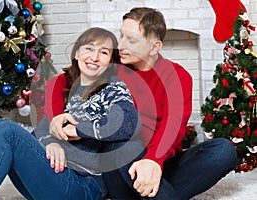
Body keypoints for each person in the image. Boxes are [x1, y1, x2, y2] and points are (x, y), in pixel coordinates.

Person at [45, 7, 238, 200]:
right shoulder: (114, 66)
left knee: (223, 150)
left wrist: (153, 161)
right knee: (121, 143)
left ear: (155, 46)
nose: (121, 45)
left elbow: (173, 124)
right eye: (121, 36)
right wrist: (56, 118)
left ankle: (155, 191)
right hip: (120, 166)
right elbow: (63, 80)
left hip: (159, 162)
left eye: (131, 40)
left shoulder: (177, 76)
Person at [0, 27, 144, 200]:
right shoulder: (75, 91)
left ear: (110, 62)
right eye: (89, 49)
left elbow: (129, 123)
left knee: (8, 131)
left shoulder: (113, 87)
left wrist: (78, 130)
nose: (94, 57)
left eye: (104, 53)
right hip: (59, 173)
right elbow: (42, 130)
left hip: (83, 184)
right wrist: (51, 142)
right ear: (77, 53)